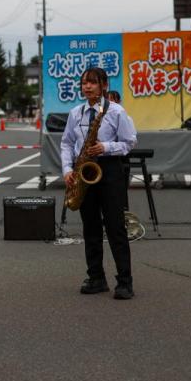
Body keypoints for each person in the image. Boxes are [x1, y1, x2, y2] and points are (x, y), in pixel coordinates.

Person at [61, 67, 138, 299]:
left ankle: (125, 282)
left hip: (110, 169)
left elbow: (129, 142)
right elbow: (66, 143)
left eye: (92, 83)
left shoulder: (116, 111)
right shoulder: (76, 113)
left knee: (115, 227)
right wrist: (67, 169)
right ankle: (96, 277)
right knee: (90, 227)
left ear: (104, 85)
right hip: (84, 170)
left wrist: (106, 147)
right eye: (83, 83)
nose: (86, 87)